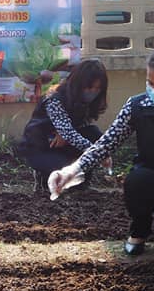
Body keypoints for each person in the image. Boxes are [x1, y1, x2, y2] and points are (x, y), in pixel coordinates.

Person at [49, 39, 154, 255]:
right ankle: (139, 230)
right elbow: (106, 143)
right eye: (150, 83)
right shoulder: (137, 105)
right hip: (150, 169)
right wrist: (72, 170)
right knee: (138, 182)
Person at [17, 58, 111, 195]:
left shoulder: (85, 101)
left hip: (63, 143)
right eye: (89, 87)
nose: (93, 92)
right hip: (41, 146)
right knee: (63, 169)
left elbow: (78, 127)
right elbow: (68, 133)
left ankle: (82, 184)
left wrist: (103, 150)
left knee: (94, 133)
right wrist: (97, 152)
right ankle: (43, 178)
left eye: (97, 88)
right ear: (78, 84)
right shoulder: (54, 98)